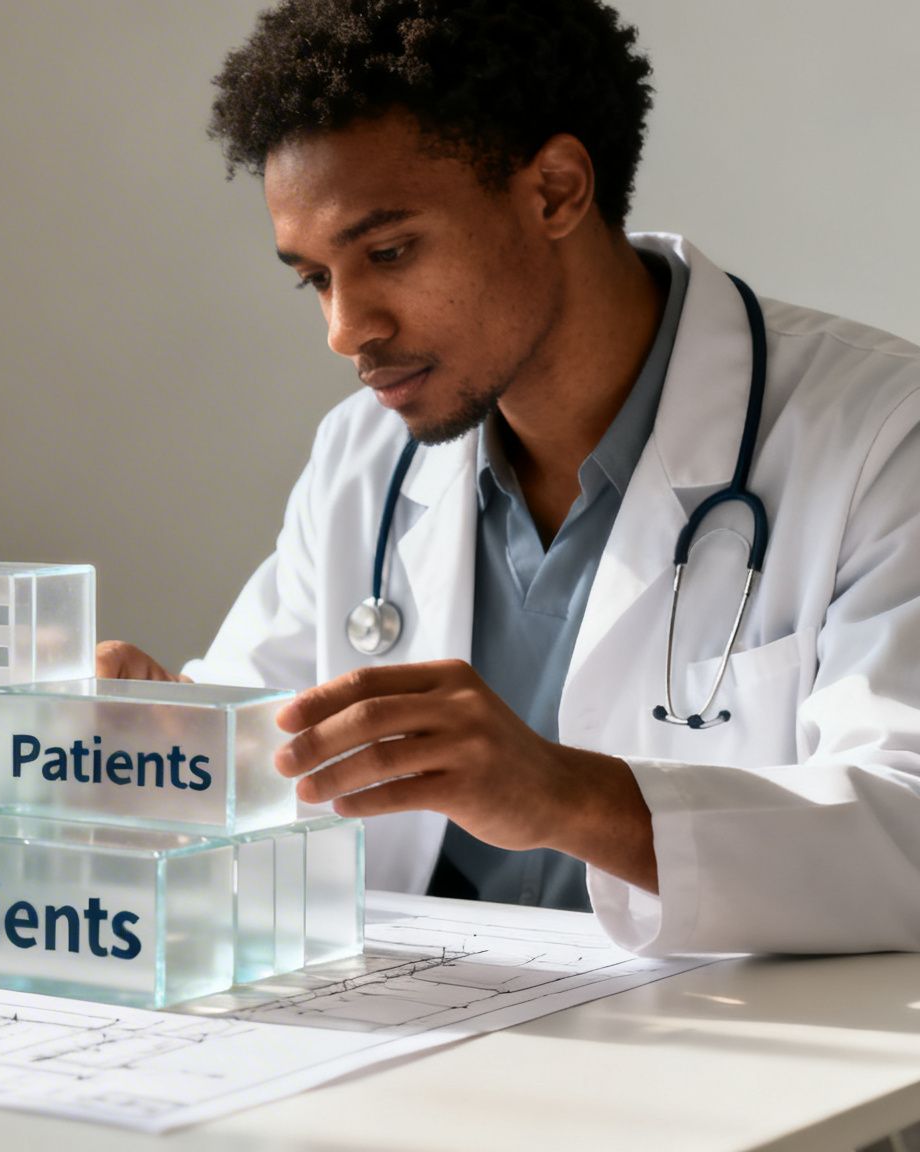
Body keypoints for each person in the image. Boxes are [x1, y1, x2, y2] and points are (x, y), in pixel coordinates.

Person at [98, 0, 920, 956]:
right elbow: (267, 755)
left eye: (389, 253)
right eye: (316, 278)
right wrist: (159, 746)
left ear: (556, 191)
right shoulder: (364, 457)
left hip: (727, 1031)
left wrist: (566, 795)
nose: (346, 329)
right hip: (430, 1017)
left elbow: (905, 826)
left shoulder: (882, 437)